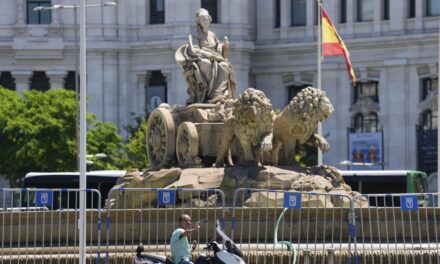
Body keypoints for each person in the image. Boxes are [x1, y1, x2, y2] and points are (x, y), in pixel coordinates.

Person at [175, 8, 237, 104]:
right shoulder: (194, 34)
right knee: (206, 63)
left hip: (215, 58)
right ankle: (209, 94)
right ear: (199, 21)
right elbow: (194, 49)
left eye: (207, 19)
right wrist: (206, 54)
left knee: (225, 66)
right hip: (199, 58)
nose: (205, 21)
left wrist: (224, 46)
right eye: (203, 19)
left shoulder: (212, 35)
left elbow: (218, 50)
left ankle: (218, 93)